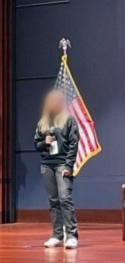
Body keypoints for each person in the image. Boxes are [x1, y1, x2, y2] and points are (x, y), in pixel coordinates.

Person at [34, 89, 80, 249]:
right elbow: (37, 145)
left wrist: (68, 165)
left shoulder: (69, 120)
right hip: (47, 165)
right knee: (53, 201)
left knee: (64, 199)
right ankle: (57, 235)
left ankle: (72, 235)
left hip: (62, 164)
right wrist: (44, 142)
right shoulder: (43, 122)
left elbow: (74, 144)